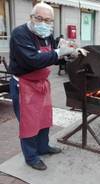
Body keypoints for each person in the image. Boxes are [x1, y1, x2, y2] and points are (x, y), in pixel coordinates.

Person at [8, 2, 77, 170]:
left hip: (41, 84)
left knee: (44, 119)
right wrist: (58, 53)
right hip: (24, 85)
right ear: (31, 17)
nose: (44, 23)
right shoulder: (20, 34)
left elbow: (51, 55)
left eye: (48, 20)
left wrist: (66, 54)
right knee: (29, 122)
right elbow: (33, 60)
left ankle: (43, 147)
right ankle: (31, 157)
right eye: (40, 18)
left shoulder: (46, 34)